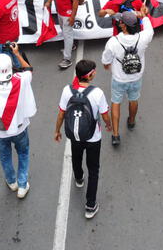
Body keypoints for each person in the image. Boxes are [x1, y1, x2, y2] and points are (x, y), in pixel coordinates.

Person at [54, 59, 112, 219]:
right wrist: (109, 125)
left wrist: (57, 130)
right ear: (90, 75)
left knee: (76, 156)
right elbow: (105, 115)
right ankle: (90, 205)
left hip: (75, 134)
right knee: (94, 170)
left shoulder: (67, 91)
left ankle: (79, 178)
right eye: (94, 71)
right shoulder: (97, 93)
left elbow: (61, 114)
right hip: (93, 137)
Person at [0, 44, 35, 199]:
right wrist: (17, 53)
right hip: (20, 128)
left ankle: (12, 182)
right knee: (23, 154)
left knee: (5, 157)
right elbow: (28, 68)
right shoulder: (21, 79)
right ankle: (22, 185)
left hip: (0, 132)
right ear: (11, 68)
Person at [101, 9, 153, 146]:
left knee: (116, 102)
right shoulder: (143, 38)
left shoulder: (113, 41)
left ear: (124, 25)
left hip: (119, 78)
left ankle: (116, 135)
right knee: (134, 99)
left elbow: (105, 61)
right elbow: (149, 28)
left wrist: (108, 66)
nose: (119, 22)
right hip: (136, 77)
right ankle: (131, 121)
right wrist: (144, 16)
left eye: (121, 21)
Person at [45, 0, 79, 69]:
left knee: (67, 34)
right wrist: (49, 1)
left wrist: (72, 17)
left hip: (67, 15)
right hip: (60, 12)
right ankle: (71, 46)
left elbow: (76, 0)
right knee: (64, 31)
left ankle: (67, 59)